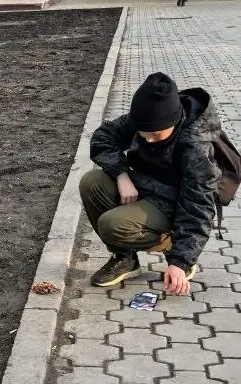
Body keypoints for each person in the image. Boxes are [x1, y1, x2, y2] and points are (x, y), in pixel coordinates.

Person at [80, 71, 220, 295]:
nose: (147, 139)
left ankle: (173, 247)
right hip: (144, 185)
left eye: (155, 135)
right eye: (142, 134)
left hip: (175, 203)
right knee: (92, 182)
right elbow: (103, 137)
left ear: (173, 123)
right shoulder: (145, 118)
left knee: (112, 224)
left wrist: (180, 262)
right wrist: (121, 174)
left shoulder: (195, 146)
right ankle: (125, 259)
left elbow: (199, 207)